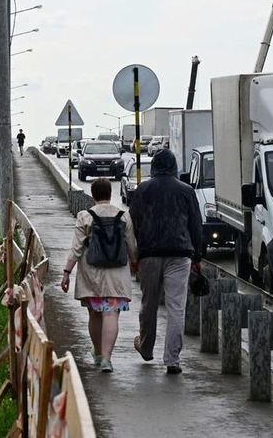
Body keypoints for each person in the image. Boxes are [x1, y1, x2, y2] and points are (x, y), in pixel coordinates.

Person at [129, 149, 203, 375]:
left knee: (149, 303)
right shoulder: (186, 191)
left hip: (149, 254)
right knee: (176, 307)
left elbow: (132, 222)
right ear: (174, 167)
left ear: (153, 167)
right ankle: (172, 359)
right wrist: (198, 257)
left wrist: (134, 256)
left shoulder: (142, 190)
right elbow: (196, 225)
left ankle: (146, 347)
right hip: (180, 254)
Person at [60, 178, 137, 373]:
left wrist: (67, 272)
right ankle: (107, 359)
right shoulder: (124, 216)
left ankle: (97, 351)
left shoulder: (85, 216)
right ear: (110, 194)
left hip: (91, 273)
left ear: (93, 195)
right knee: (111, 313)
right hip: (117, 274)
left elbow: (76, 248)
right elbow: (132, 246)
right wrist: (135, 264)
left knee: (95, 313)